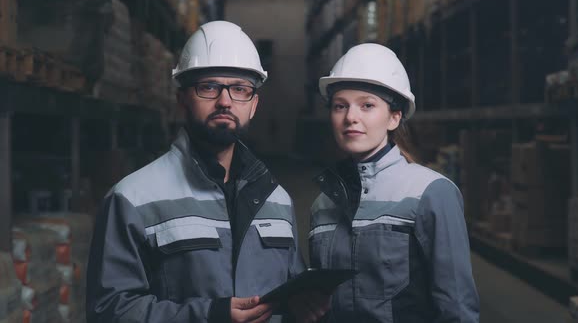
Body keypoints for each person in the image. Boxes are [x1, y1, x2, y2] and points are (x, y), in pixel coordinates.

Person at [86, 20, 315, 323]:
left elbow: (290, 297)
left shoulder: (278, 200)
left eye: (239, 89)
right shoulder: (132, 199)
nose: (225, 101)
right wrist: (209, 315)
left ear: (254, 104)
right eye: (208, 87)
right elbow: (109, 311)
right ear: (182, 99)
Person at [307, 43, 480, 322]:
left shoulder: (431, 193)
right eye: (340, 106)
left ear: (394, 117)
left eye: (367, 105)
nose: (351, 117)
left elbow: (456, 307)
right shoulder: (322, 203)